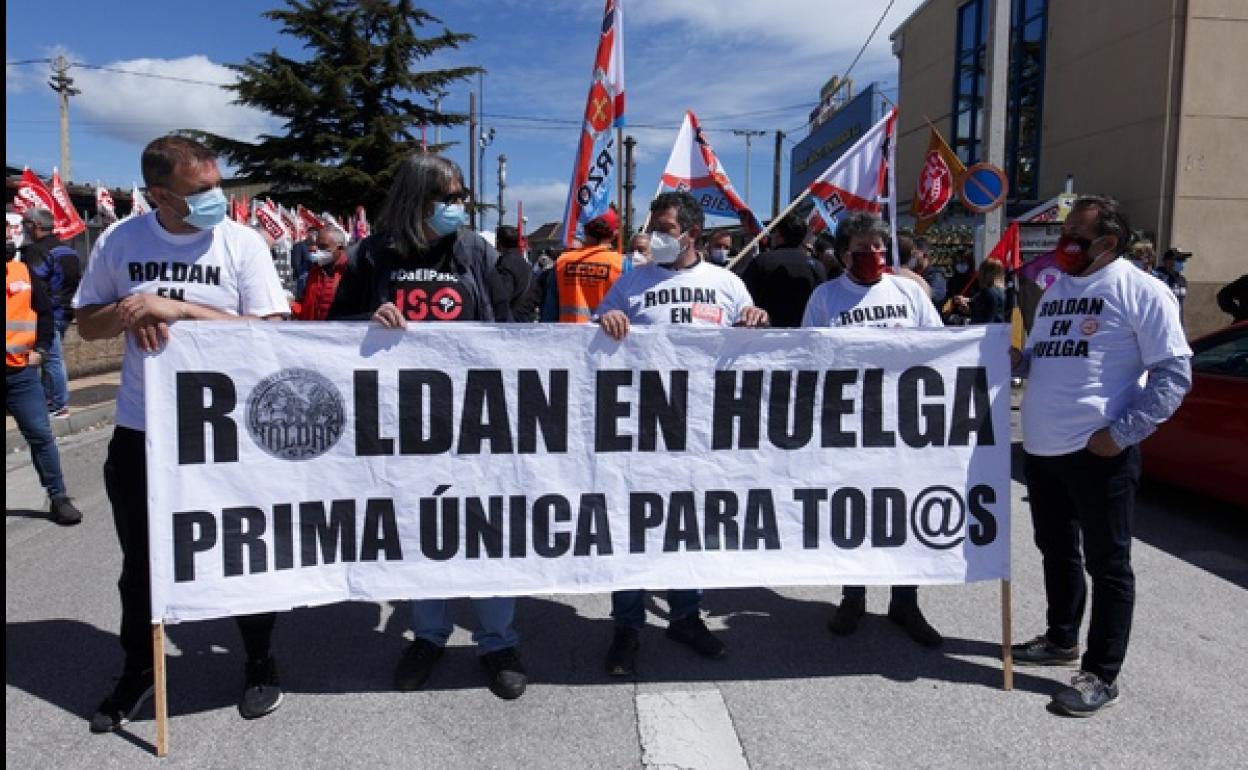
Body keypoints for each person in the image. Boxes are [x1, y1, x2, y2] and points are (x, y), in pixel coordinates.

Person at [74, 136, 291, 733]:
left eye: (217, 185)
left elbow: (272, 332)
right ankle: (140, 668)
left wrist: (180, 309)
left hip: (229, 435)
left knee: (245, 552)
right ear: (160, 196)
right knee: (141, 564)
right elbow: (87, 324)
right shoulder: (120, 241)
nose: (216, 197)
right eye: (201, 191)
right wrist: (131, 311)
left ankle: (259, 660)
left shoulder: (241, 243)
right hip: (143, 431)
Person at [327, 153, 527, 700]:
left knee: (487, 529)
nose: (461, 205)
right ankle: (429, 636)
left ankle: (498, 642)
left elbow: (508, 330)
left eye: (461, 196)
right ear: (418, 199)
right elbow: (330, 331)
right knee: (420, 530)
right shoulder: (373, 254)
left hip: (476, 419)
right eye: (450, 197)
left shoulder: (475, 251)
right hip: (403, 422)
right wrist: (366, 321)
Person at [1011, 196, 1191, 717]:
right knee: (1056, 550)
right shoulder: (1057, 289)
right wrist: (1016, 360)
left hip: (1098, 453)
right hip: (1042, 449)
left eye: (1074, 235)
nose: (1063, 242)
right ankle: (1061, 638)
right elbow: (1044, 359)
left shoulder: (1141, 290)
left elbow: (1173, 374)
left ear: (1108, 242)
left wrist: (1123, 434)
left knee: (1108, 564)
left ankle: (1101, 674)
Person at [596, 190, 770, 677]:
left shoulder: (727, 284)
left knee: (688, 528)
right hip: (641, 432)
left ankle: (685, 617)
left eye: (665, 229)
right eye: (653, 227)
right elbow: (592, 338)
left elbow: (753, 339)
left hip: (702, 434)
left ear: (692, 234)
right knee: (632, 529)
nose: (654, 237)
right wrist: (605, 318)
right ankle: (627, 626)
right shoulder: (632, 281)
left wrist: (756, 318)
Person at [801, 212, 945, 649]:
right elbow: (807, 356)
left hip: (904, 426)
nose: (874, 254)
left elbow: (941, 347)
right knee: (855, 514)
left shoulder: (908, 292)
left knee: (904, 514)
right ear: (844, 254)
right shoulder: (826, 297)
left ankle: (905, 600)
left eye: (879, 246)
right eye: (864, 249)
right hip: (850, 428)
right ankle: (853, 596)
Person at [7, 233, 82, 526]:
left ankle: (59, 498)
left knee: (40, 434)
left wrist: (41, 349)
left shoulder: (23, 272)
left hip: (20, 374)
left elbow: (45, 313)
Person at [19, 207, 80, 418]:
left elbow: (33, 285)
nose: (23, 229)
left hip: (48, 313)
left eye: (25, 224)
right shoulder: (68, 250)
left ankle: (57, 404)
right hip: (66, 312)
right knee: (52, 358)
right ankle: (50, 400)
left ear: (35, 226)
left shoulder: (37, 251)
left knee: (51, 358)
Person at [541, 209, 629, 323]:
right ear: (614, 234)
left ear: (585, 230)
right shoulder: (622, 264)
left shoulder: (562, 262)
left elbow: (549, 313)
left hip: (569, 332)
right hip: (606, 333)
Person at [739, 212, 826, 328]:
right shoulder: (817, 267)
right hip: (805, 333)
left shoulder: (761, 262)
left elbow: (744, 298)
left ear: (778, 234)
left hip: (768, 333)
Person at [296, 227, 349, 320]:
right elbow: (304, 302)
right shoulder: (314, 271)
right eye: (316, 245)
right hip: (310, 328)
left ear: (340, 248)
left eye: (323, 247)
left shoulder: (350, 271)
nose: (316, 250)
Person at [495, 224, 542, 322]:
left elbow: (503, 296)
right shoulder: (526, 264)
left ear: (499, 243)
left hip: (510, 321)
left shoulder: (505, 264)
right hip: (526, 317)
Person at [951, 257, 1007, 324]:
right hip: (999, 327)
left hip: (985, 328)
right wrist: (970, 310)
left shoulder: (986, 292)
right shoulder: (1003, 292)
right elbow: (990, 311)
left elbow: (982, 316)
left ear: (984, 274)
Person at [894, 233, 933, 300]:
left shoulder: (934, 276)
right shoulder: (910, 273)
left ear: (925, 254)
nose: (912, 256)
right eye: (911, 253)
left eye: (915, 253)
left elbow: (935, 297)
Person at [1156, 247, 1189, 325]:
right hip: (1161, 323)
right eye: (1179, 259)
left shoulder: (1182, 280)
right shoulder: (1157, 278)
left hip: (1177, 322)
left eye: (1183, 260)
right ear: (1167, 261)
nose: (1182, 262)